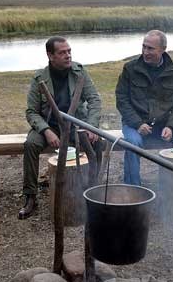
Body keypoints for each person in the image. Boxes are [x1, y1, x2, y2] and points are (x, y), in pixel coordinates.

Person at [20, 36, 102, 219]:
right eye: (62, 52)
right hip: (50, 126)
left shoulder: (79, 72)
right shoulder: (40, 78)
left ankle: (93, 191)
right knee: (31, 144)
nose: (68, 55)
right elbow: (31, 112)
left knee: (97, 143)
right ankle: (30, 196)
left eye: (69, 51)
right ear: (50, 55)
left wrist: (91, 126)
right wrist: (46, 131)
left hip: (77, 125)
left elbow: (94, 100)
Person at [115, 30, 173, 185]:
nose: (145, 52)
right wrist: (138, 124)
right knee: (132, 143)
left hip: (164, 125)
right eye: (144, 47)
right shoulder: (130, 69)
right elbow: (122, 100)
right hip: (135, 125)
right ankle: (133, 189)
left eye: (150, 48)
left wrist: (171, 126)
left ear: (163, 49)